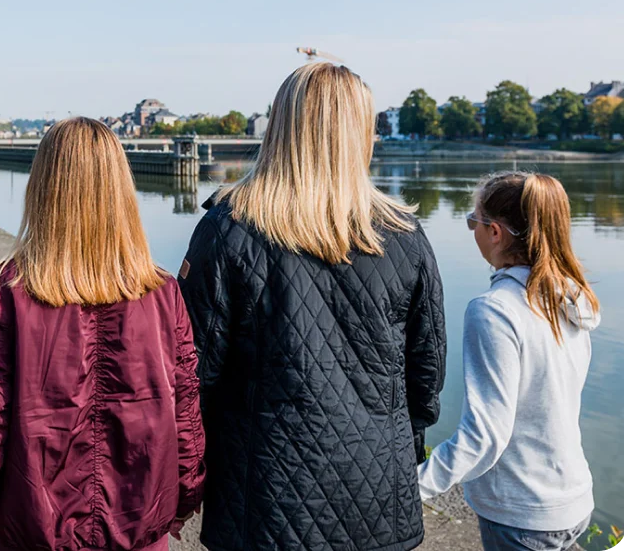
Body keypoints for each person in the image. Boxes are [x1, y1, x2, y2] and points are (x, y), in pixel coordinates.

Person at [179, 62, 446, 551]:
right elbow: (426, 380)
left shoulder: (228, 231)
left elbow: (192, 375)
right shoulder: (406, 237)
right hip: (376, 497)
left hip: (260, 501)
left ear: (280, 127)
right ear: (360, 133)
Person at [0, 117, 205, 551]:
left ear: (42, 189)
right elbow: (185, 412)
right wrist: (186, 496)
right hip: (138, 534)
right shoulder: (162, 293)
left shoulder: (2, 293)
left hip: (30, 533)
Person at [418, 172, 600, 551]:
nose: (473, 230)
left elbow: (484, 436)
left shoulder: (495, 312)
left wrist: (412, 487)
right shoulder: (566, 302)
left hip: (523, 514)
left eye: (474, 221)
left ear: (496, 233)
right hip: (571, 497)